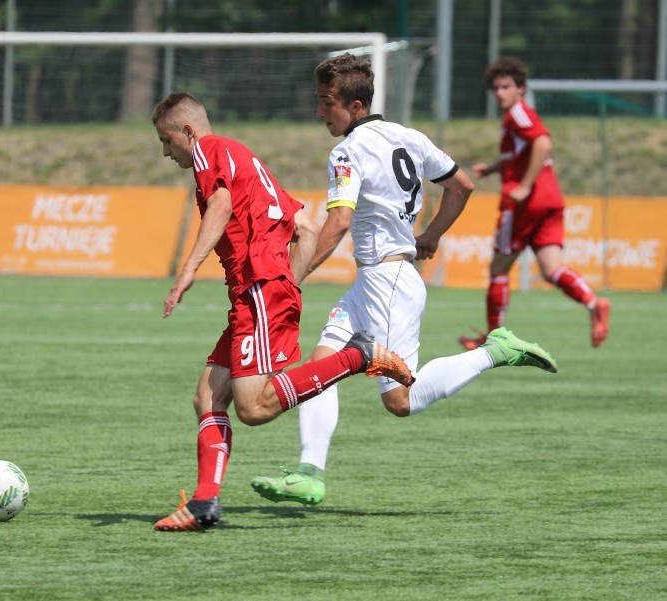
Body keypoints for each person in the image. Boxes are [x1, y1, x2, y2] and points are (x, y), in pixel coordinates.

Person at [250, 53, 558, 507]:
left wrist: (294, 276)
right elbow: (462, 185)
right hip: (376, 279)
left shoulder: (347, 150)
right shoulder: (407, 136)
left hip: (388, 284)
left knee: (401, 400)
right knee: (321, 366)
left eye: (325, 102)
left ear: (354, 105)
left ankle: (497, 351)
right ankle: (309, 473)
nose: (319, 112)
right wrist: (429, 235)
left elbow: (337, 225)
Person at [150, 92, 414, 532]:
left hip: (257, 288)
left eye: (166, 140)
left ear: (189, 132)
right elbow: (306, 228)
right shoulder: (247, 160)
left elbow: (220, 205)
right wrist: (287, 284)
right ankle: (203, 505)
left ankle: (359, 357)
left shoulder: (209, 153)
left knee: (253, 409)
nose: (165, 152)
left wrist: (188, 271)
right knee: (207, 396)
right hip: (261, 290)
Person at [458, 56, 611, 351]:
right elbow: (520, 156)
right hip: (551, 199)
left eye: (506, 87)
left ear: (521, 89)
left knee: (499, 270)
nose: (500, 93)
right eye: (496, 88)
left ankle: (494, 338)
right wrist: (492, 169)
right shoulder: (515, 118)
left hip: (525, 205)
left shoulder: (519, 113)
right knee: (552, 269)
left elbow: (543, 142)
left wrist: (524, 186)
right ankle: (595, 304)